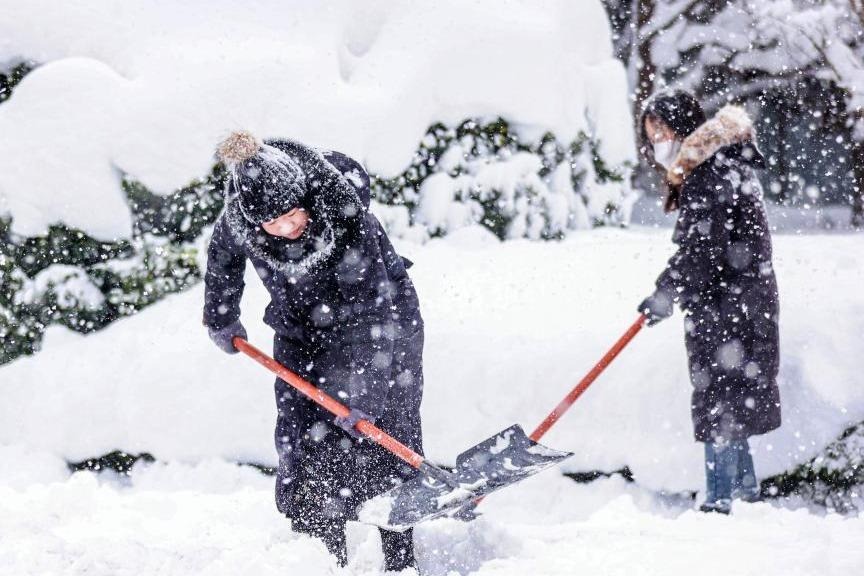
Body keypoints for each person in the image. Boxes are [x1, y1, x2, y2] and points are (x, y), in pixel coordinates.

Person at [203, 131, 425, 570]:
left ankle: (399, 560)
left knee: (385, 435)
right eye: (272, 223)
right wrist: (220, 316)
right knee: (303, 438)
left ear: (305, 198)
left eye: (291, 216)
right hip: (300, 329)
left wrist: (365, 397)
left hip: (383, 323)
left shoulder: (347, 217)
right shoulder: (241, 218)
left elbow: (372, 314)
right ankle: (320, 558)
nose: (285, 229)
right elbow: (222, 257)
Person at [636, 91, 781, 514]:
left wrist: (665, 294)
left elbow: (701, 249)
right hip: (740, 300)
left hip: (729, 305)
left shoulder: (710, 169)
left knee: (721, 401)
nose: (657, 140)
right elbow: (707, 247)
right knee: (732, 400)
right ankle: (745, 495)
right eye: (651, 134)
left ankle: (720, 501)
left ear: (682, 127)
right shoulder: (722, 163)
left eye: (661, 130)